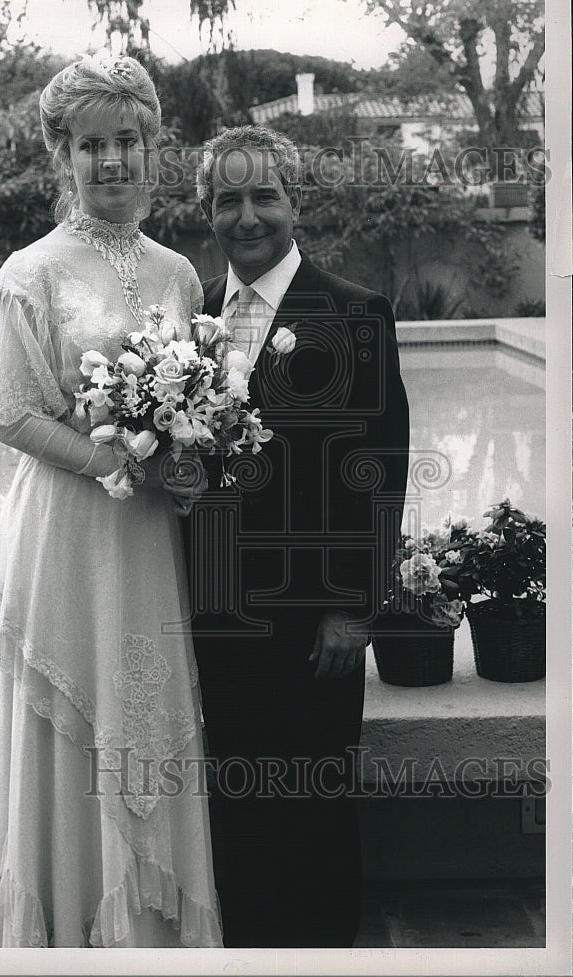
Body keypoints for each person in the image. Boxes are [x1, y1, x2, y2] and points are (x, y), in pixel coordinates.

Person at [0, 55, 222, 949]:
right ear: (60, 154)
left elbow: (195, 410)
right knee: (73, 721)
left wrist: (184, 466)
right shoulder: (29, 273)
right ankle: (67, 930)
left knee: (146, 705)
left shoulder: (180, 275)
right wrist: (116, 462)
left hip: (147, 541)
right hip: (71, 531)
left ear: (153, 146)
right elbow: (8, 415)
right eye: (89, 146)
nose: (110, 161)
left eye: (127, 140)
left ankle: (150, 936)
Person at [184, 125, 410, 948]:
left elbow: (380, 473)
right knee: (230, 803)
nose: (246, 217)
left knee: (311, 804)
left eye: (263, 196)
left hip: (313, 621)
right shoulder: (190, 316)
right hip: (212, 611)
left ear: (293, 203)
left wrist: (354, 610)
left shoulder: (353, 313)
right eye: (226, 200)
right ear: (207, 212)